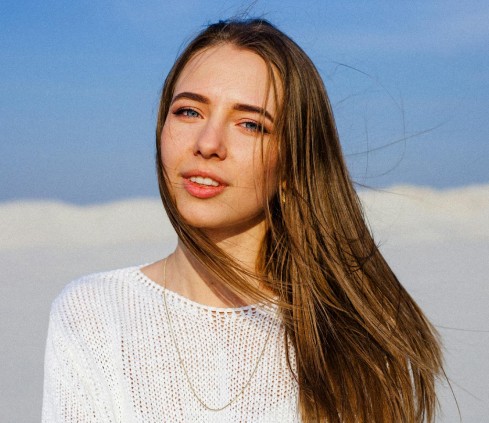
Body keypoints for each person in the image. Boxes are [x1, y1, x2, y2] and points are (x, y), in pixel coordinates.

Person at [42, 19, 443, 422]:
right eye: (189, 111)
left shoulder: (350, 344)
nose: (208, 144)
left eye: (250, 124)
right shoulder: (95, 312)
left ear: (292, 161)